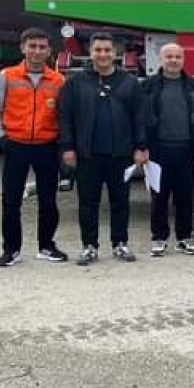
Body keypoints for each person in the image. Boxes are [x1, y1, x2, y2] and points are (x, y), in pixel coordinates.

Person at [58, 32, 148, 266]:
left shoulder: (129, 83)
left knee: (121, 202)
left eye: (107, 50)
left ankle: (120, 243)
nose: (103, 54)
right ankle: (89, 246)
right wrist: (67, 147)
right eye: (98, 50)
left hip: (121, 154)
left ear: (115, 53)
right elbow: (65, 117)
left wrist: (141, 147)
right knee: (88, 203)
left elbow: (140, 117)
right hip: (87, 154)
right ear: (90, 53)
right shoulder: (75, 83)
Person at [0, 27, 67, 266]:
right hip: (16, 145)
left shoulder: (58, 80)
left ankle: (47, 246)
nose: (37, 51)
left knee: (48, 201)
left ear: (50, 51)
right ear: (22, 48)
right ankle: (11, 249)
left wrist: (62, 142)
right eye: (32, 46)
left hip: (47, 146)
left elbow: (64, 115)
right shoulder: (7, 76)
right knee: (11, 201)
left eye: (42, 47)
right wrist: (1, 138)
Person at [143, 43, 194, 257]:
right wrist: (141, 147)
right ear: (161, 60)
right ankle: (159, 238)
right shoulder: (149, 85)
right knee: (159, 197)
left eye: (177, 57)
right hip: (158, 150)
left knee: (185, 197)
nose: (173, 60)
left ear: (183, 59)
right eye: (169, 56)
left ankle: (184, 237)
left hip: (187, 149)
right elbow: (141, 119)